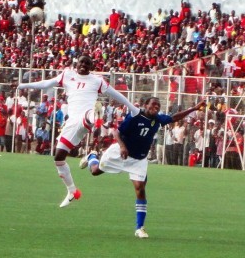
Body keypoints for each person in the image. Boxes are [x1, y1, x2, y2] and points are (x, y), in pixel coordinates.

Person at [17, 55, 139, 207]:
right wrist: (22, 85)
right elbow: (47, 83)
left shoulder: (97, 80)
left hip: (86, 115)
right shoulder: (68, 75)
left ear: (91, 66)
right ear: (77, 63)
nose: (84, 65)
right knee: (58, 158)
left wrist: (133, 109)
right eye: (82, 62)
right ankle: (72, 191)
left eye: (87, 64)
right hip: (72, 123)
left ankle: (98, 117)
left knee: (91, 114)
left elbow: (115, 94)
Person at [79, 97, 205, 238]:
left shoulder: (158, 119)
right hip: (121, 152)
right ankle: (92, 157)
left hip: (138, 159)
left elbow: (174, 117)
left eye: (158, 106)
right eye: (153, 105)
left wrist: (194, 108)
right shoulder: (134, 116)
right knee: (95, 172)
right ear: (146, 105)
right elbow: (116, 132)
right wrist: (122, 146)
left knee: (140, 188)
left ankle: (140, 228)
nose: (155, 107)